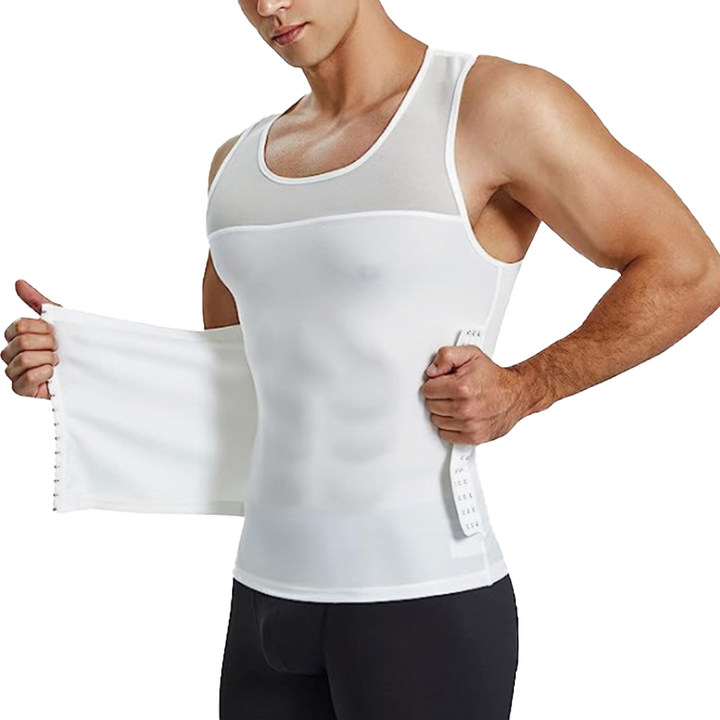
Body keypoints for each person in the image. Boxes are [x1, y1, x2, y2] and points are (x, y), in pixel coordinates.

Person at [4, 1, 720, 718]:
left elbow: (689, 270)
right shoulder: (236, 164)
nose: (268, 6)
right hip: (265, 605)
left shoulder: (491, 106)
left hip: (422, 601)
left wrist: (528, 387)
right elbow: (246, 381)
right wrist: (82, 365)